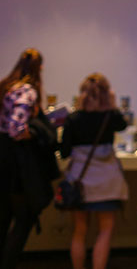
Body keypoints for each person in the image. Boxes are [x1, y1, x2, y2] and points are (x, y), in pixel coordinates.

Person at [60, 73, 128, 269]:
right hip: (107, 181)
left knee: (79, 231)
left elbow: (64, 152)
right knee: (105, 231)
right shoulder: (111, 117)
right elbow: (123, 124)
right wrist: (112, 103)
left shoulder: (73, 119)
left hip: (80, 181)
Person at [0, 48, 58, 269]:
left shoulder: (5, 86)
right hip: (17, 166)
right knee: (23, 219)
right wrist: (34, 131)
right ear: (40, 68)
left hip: (3, 160)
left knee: (3, 219)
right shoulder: (27, 91)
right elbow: (16, 129)